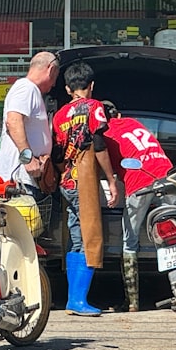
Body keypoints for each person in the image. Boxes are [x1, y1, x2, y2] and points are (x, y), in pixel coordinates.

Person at [52, 61, 120, 316]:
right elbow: (99, 144)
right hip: (85, 182)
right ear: (91, 86)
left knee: (76, 238)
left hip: (66, 182)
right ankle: (78, 301)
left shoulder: (59, 116)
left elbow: (58, 153)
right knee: (90, 238)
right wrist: (112, 180)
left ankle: (73, 298)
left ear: (69, 89)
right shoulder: (94, 107)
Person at [101, 101, 172, 312]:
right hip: (166, 174)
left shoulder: (105, 135)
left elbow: (106, 168)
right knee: (173, 237)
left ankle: (132, 302)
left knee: (129, 242)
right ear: (119, 115)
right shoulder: (132, 122)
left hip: (139, 182)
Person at [0, 51, 59, 199]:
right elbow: (13, 120)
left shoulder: (30, 90)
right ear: (51, 69)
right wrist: (27, 158)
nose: (54, 84)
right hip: (19, 181)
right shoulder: (26, 88)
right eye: (54, 78)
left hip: (26, 180)